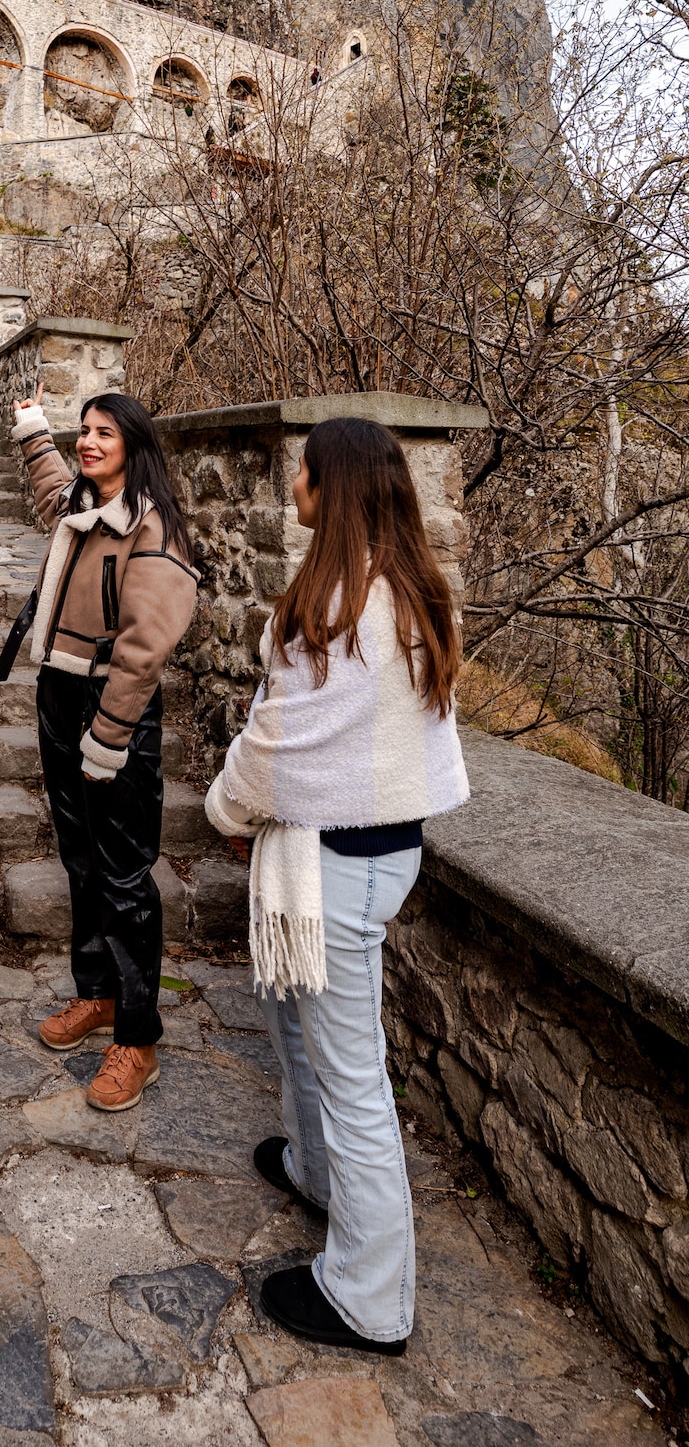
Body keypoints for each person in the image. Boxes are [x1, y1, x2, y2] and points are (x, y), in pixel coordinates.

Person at [205, 416, 468, 1355]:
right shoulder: (409, 592)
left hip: (336, 866)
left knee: (354, 1080)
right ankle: (316, 1172)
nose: (293, 486)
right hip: (374, 856)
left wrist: (224, 808)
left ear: (334, 489)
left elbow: (281, 746)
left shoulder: (344, 610)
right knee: (299, 1030)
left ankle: (371, 1295)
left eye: (304, 473)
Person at [9, 385, 198, 1111]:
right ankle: (99, 995)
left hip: (111, 709)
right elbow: (53, 480)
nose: (88, 444)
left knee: (123, 875)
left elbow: (147, 647)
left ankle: (139, 1037)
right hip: (57, 694)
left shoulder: (154, 527)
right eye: (84, 431)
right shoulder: (81, 506)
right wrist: (34, 430)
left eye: (104, 435)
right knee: (79, 860)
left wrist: (110, 736)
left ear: (134, 447)